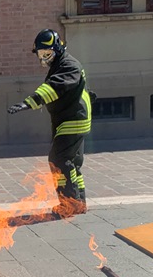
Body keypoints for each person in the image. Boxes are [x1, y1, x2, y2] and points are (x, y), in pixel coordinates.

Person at [7, 29, 92, 216]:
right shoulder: (62, 64)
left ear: (58, 49)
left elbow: (55, 86)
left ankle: (68, 205)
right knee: (73, 164)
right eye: (40, 54)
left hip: (72, 121)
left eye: (47, 53)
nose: (44, 58)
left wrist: (29, 102)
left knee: (59, 160)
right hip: (73, 119)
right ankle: (79, 203)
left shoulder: (68, 65)